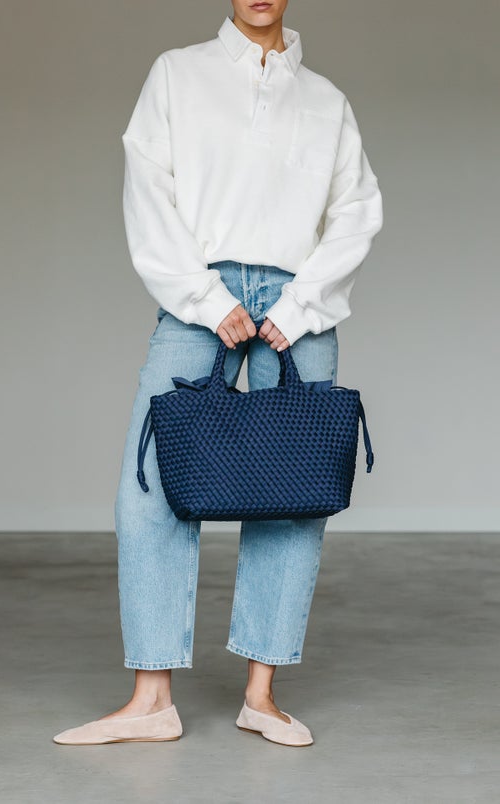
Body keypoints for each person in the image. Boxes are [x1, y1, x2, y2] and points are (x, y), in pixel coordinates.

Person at [53, 0, 383, 747]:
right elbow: (149, 190)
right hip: (200, 293)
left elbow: (357, 211)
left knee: (294, 492)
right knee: (149, 489)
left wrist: (299, 306)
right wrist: (206, 299)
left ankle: (261, 696)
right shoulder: (178, 74)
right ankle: (151, 700)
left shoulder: (326, 100)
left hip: (299, 304)